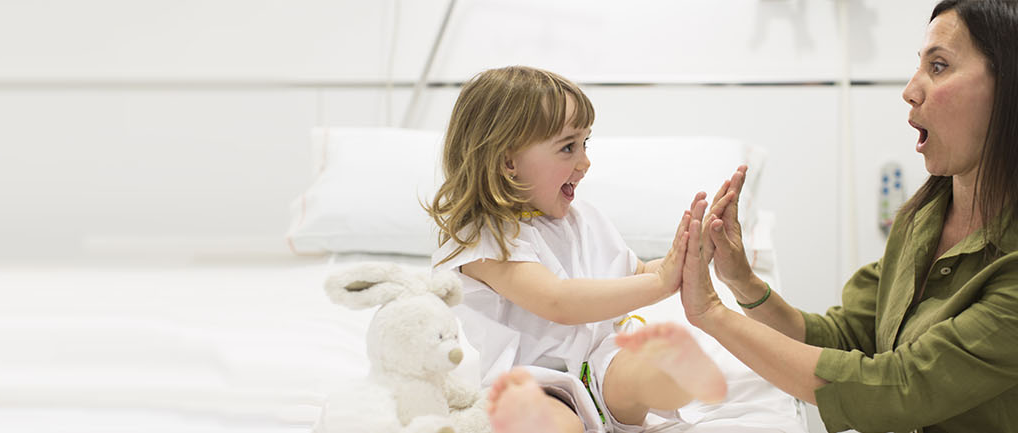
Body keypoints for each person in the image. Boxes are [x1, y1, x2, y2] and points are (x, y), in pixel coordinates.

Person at [678, 1, 1018, 431]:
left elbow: (897, 387)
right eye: (920, 66)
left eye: (938, 66)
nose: (910, 90)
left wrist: (711, 312)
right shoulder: (924, 221)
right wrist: (741, 282)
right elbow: (844, 338)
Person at [424, 65, 726, 433]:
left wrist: (688, 257)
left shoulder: (582, 219)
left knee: (641, 368)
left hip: (602, 364)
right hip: (530, 381)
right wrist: (660, 283)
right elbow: (558, 302)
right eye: (568, 147)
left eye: (585, 144)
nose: (584, 162)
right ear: (508, 162)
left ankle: (666, 378)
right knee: (553, 424)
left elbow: (634, 274)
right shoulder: (482, 240)